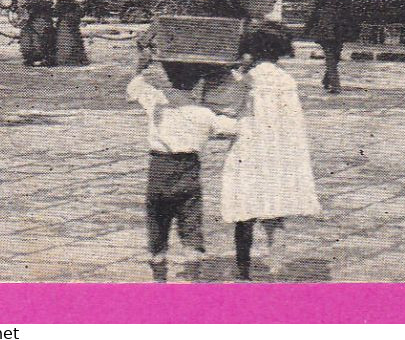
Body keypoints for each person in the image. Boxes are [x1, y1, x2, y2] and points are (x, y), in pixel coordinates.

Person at [221, 23, 321, 281]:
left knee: (244, 213)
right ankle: (277, 266)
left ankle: (243, 269)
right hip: (277, 152)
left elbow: (231, 110)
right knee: (275, 212)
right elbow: (293, 122)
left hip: (250, 149)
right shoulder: (286, 79)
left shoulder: (248, 79)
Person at [127, 54, 238, 282]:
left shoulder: (156, 101)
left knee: (157, 220)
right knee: (190, 221)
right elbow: (234, 128)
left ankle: (158, 272)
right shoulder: (204, 114)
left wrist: (141, 67)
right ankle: (193, 275)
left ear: (168, 76)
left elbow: (134, 88)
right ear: (197, 82)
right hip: (188, 169)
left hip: (159, 167)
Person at [303, 0, 356, 94]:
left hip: (325, 29)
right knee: (335, 55)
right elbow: (350, 12)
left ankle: (334, 84)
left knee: (330, 56)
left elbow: (313, 13)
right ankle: (330, 80)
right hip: (340, 30)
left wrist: (307, 28)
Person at [54, 0, 89, 66]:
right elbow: (80, 13)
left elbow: (56, 11)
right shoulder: (73, 1)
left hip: (66, 23)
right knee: (72, 40)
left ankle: (65, 59)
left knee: (67, 40)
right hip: (68, 23)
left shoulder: (64, 1)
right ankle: (72, 59)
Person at [19, 0, 55, 66]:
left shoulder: (42, 0)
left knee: (40, 40)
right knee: (28, 40)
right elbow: (23, 7)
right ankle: (30, 58)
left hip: (41, 22)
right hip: (32, 23)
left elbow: (48, 8)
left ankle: (44, 58)